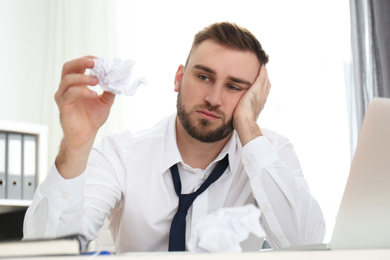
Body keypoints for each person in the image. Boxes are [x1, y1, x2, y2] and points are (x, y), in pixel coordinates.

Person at [23, 22, 325, 252]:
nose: (213, 98)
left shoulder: (270, 153)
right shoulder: (121, 154)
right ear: (179, 77)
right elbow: (46, 250)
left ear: (255, 97)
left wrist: (248, 125)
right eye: (204, 77)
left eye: (235, 87)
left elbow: (306, 244)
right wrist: (76, 145)